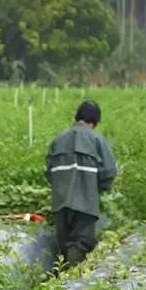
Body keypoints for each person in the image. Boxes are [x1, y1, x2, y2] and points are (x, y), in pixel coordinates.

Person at [45, 100, 116, 268]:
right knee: (80, 243)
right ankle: (70, 285)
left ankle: (58, 282)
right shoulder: (97, 139)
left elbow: (49, 172)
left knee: (64, 243)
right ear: (94, 121)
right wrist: (98, 189)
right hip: (85, 204)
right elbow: (108, 171)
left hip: (60, 203)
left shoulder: (58, 139)